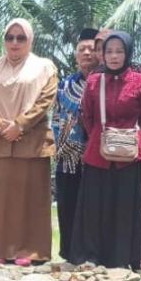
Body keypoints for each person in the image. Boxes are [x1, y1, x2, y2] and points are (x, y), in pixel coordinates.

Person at [0, 18, 57, 266]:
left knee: (31, 198)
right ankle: (0, 249)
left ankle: (31, 251)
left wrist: (20, 124)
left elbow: (46, 99)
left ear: (30, 40)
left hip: (31, 140)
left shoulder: (44, 67)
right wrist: (1, 125)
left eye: (21, 38)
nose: (14, 42)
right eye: (9, 37)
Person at [69, 32, 141, 270]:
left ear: (127, 53)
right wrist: (103, 136)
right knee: (95, 204)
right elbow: (87, 115)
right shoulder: (95, 81)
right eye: (109, 51)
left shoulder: (139, 81)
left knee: (125, 205)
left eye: (119, 51)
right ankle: (92, 255)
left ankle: (125, 256)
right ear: (102, 55)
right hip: (99, 150)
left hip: (130, 153)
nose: (114, 56)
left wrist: (127, 138)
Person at [52, 27, 100, 259]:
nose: (87, 53)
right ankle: (70, 252)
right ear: (76, 55)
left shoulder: (105, 82)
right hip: (68, 157)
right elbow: (55, 117)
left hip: (99, 157)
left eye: (92, 49)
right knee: (68, 204)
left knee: (94, 207)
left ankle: (93, 253)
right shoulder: (64, 84)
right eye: (82, 49)